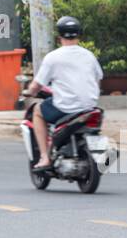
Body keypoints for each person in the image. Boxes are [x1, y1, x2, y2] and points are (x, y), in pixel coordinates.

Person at [23, 16, 103, 172]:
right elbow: (98, 80)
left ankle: (45, 157)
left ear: (59, 36)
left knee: (37, 111)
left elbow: (37, 85)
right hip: (90, 106)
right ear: (79, 34)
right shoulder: (89, 56)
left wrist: (28, 92)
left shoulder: (53, 57)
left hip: (67, 107)